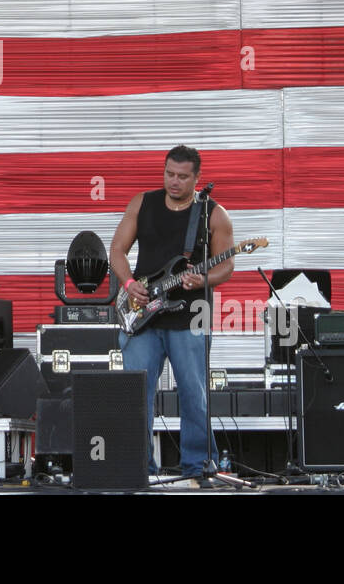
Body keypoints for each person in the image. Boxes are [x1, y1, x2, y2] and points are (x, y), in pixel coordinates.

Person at [110, 145, 235, 480]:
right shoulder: (142, 202)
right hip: (143, 314)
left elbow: (227, 268)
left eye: (182, 176)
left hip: (190, 315)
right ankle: (139, 467)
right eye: (169, 174)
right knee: (136, 394)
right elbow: (117, 251)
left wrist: (203, 279)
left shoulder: (214, 213)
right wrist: (128, 283)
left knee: (193, 393)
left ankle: (197, 468)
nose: (174, 181)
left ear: (197, 178)